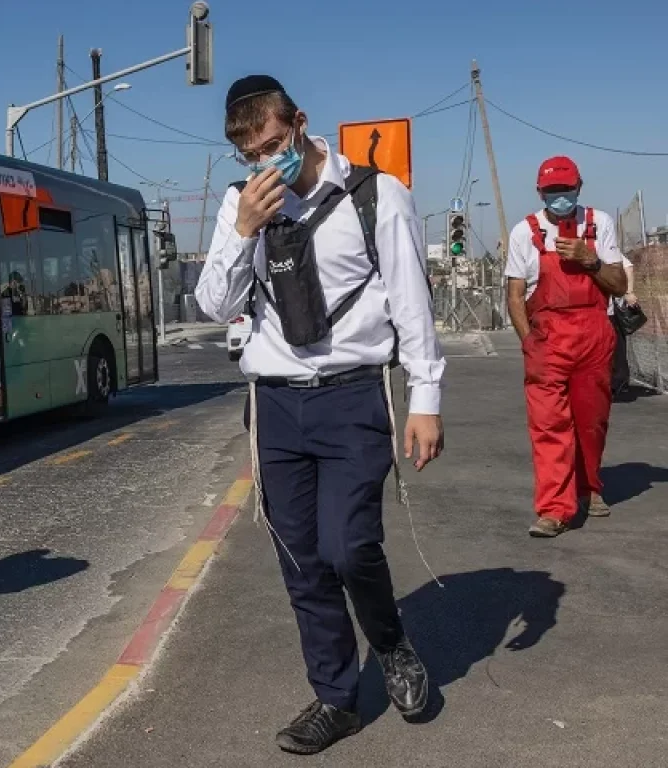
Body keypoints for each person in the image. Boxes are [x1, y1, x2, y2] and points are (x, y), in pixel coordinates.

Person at [196, 75, 445, 756]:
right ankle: (337, 696)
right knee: (302, 561)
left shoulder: (374, 196)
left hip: (351, 396)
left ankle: (390, 643)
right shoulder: (240, 208)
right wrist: (243, 228)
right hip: (274, 405)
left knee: (348, 545)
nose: (263, 164)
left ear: (300, 124)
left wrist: (425, 398)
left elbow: (411, 304)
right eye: (249, 155)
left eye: (273, 145)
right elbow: (215, 306)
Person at [505, 156, 628, 537]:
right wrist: (530, 343)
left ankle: (589, 487)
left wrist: (590, 260)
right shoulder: (524, 232)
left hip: (593, 338)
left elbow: (619, 285)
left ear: (579, 186)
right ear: (539, 192)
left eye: (566, 189)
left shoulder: (599, 223)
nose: (559, 197)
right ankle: (555, 509)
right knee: (549, 426)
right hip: (548, 342)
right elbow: (514, 293)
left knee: (591, 422)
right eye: (551, 191)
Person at [609, 256, 638, 396]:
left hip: (611, 310)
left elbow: (629, 267)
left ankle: (619, 382)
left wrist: (629, 292)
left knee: (617, 345)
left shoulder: (607, 249)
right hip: (595, 310)